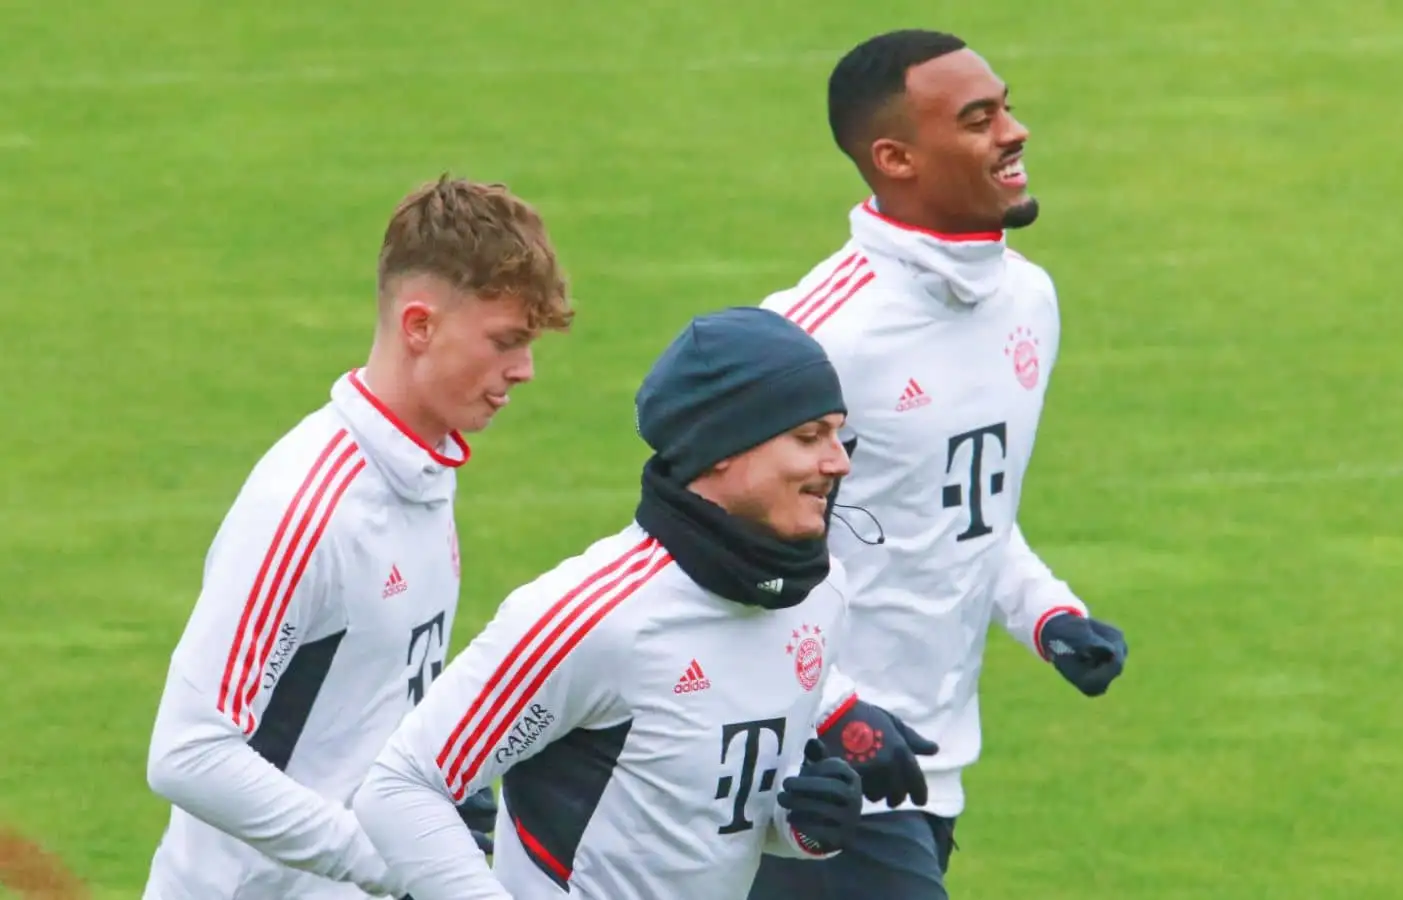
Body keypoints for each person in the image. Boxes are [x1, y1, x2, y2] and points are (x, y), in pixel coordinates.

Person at [349, 306, 941, 900]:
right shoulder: (593, 616)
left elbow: (713, 809)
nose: (839, 461)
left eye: (838, 434)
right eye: (809, 437)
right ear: (721, 450)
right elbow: (401, 785)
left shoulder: (818, 598)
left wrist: (803, 826)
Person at [748, 29, 1132, 899]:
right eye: (978, 119)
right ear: (896, 157)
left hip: (928, 764)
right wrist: (839, 708)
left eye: (1006, 106)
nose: (1015, 131)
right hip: (808, 769)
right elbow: (712, 558)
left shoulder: (1028, 301)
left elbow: (965, 513)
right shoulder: (815, 337)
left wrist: (1048, 615)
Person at [141, 174, 574, 900]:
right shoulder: (310, 510)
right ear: (418, 326)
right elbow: (188, 752)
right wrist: (386, 862)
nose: (523, 371)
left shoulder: (421, 473)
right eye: (505, 342)